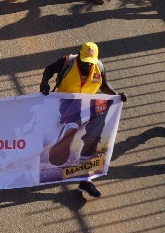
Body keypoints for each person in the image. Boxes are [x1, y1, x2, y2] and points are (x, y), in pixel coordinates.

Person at [40, 42, 127, 198]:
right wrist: (44, 82)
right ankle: (68, 133)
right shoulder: (67, 61)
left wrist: (117, 96)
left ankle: (86, 181)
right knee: (72, 125)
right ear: (79, 55)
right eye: (85, 61)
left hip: (89, 107)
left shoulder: (98, 67)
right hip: (65, 104)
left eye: (90, 63)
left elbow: (104, 85)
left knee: (93, 140)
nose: (87, 65)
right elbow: (49, 70)